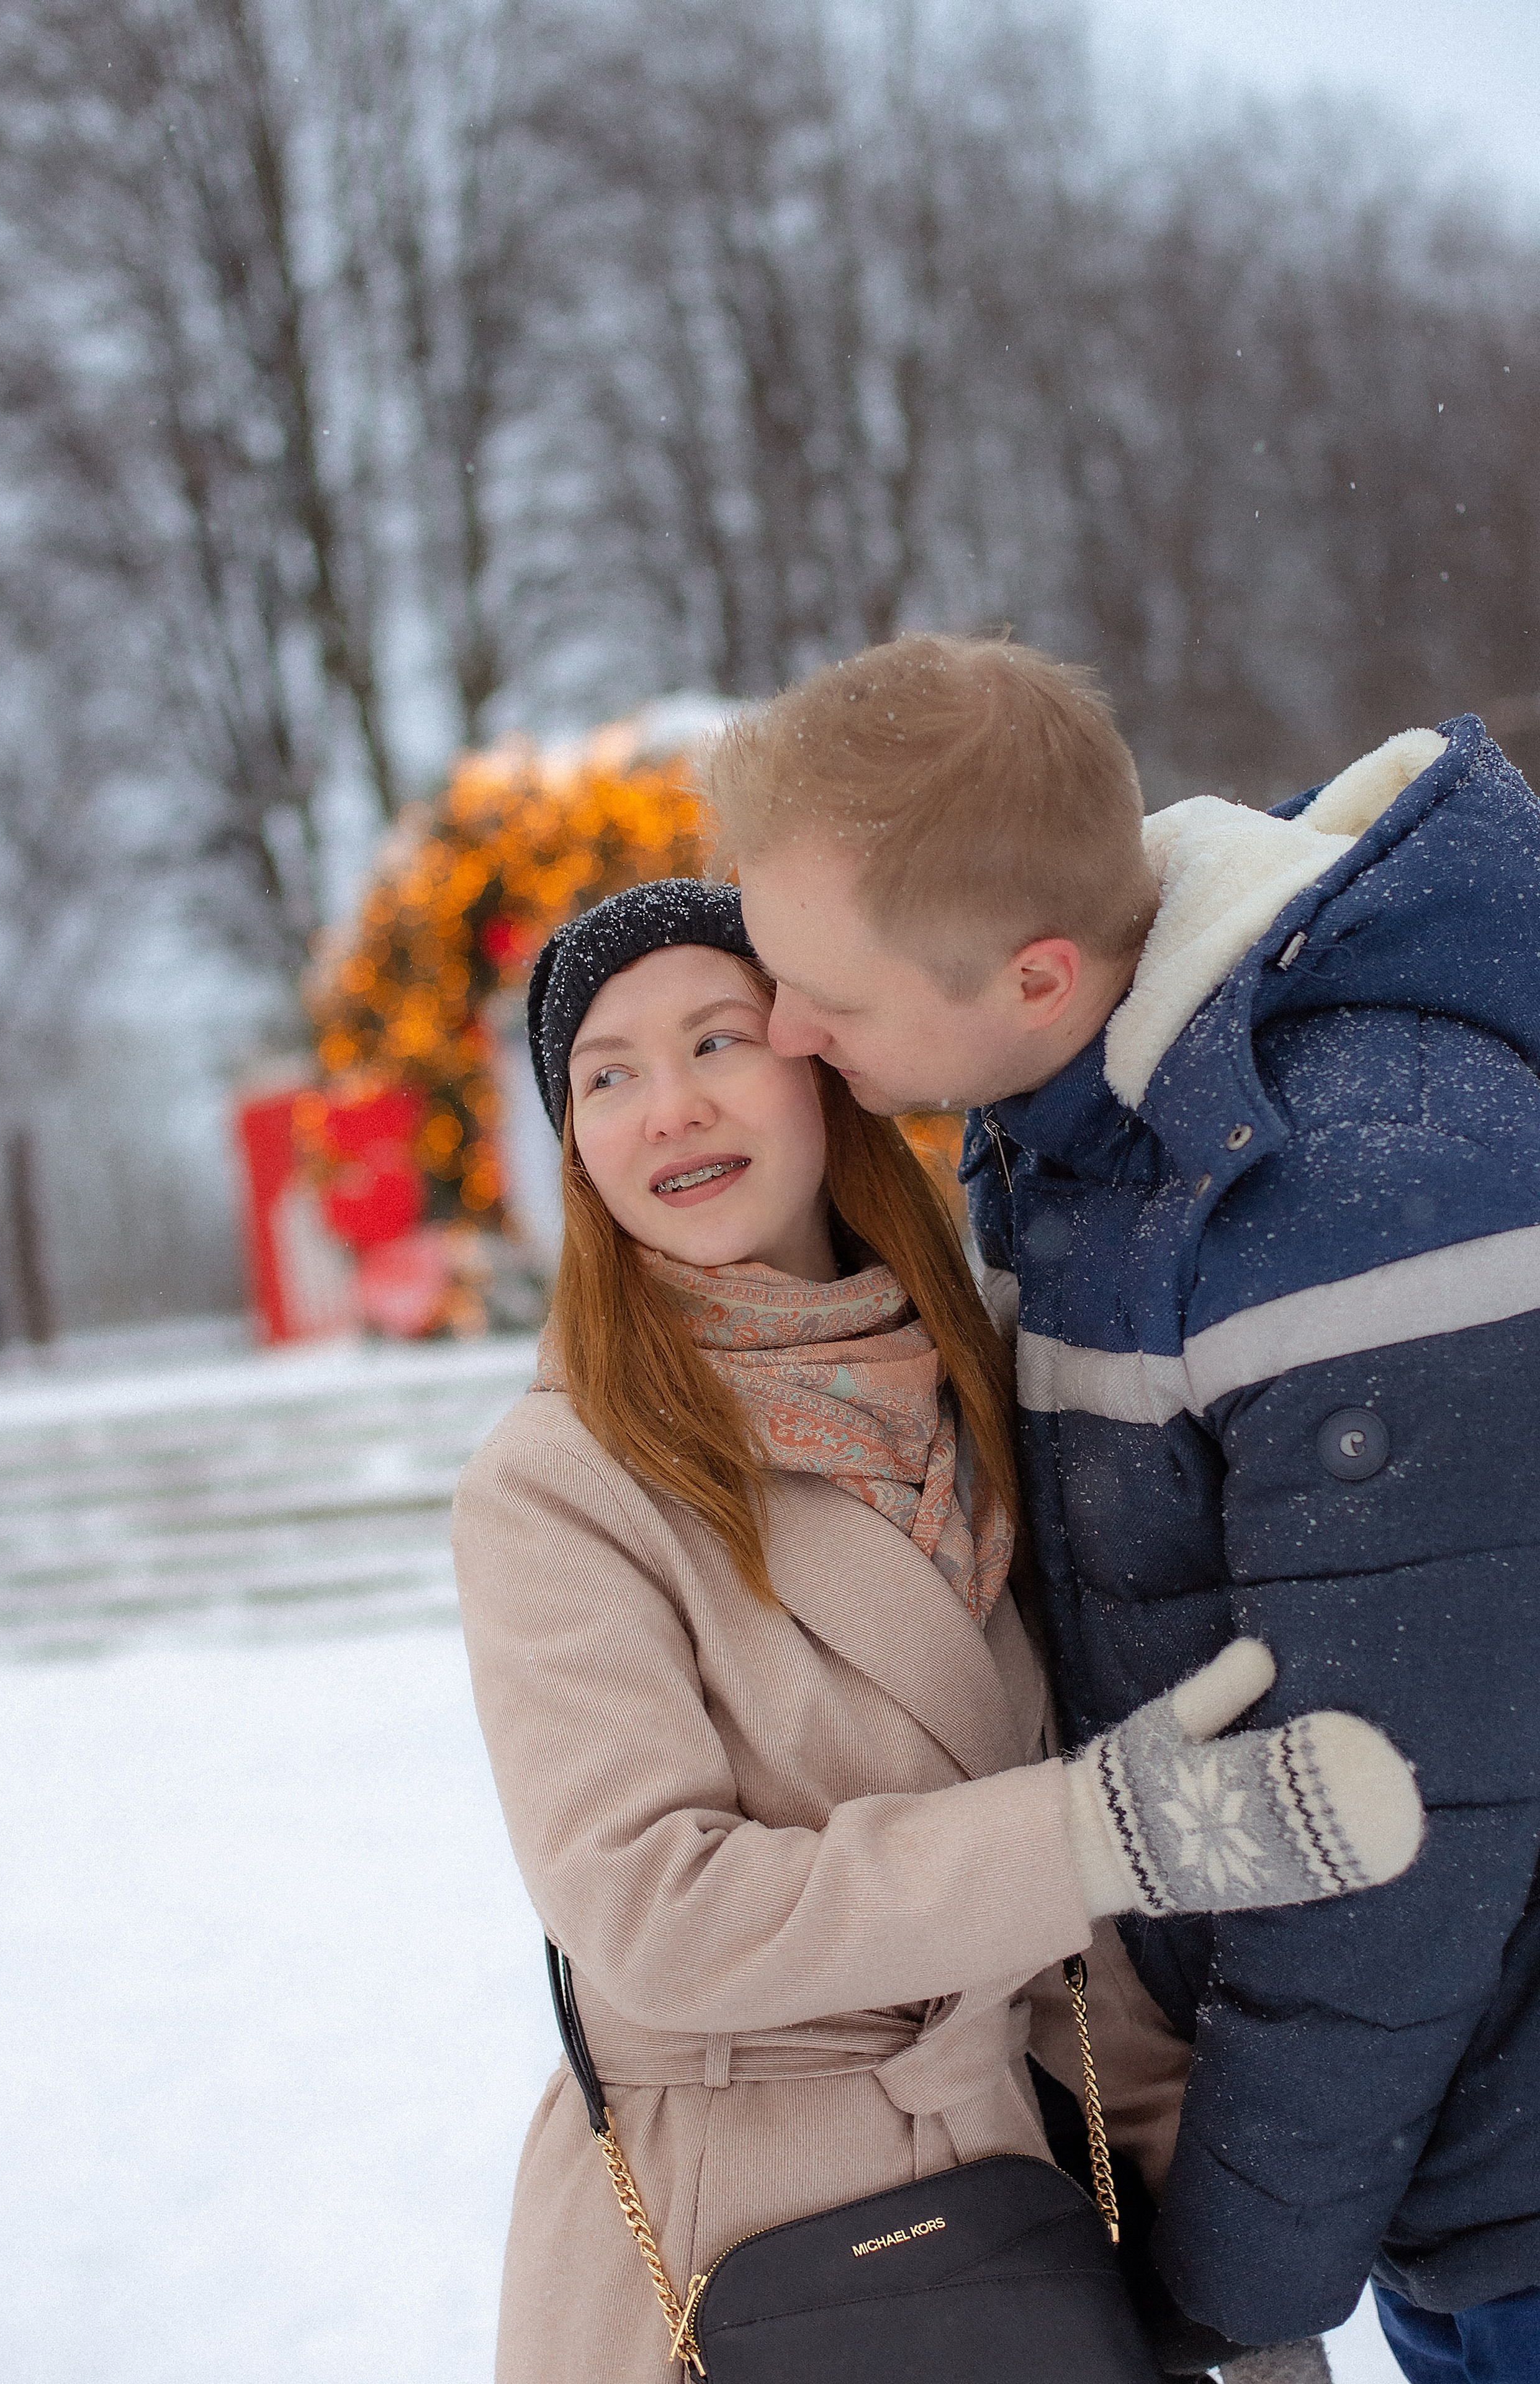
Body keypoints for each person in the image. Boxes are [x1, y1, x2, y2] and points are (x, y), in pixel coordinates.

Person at [451, 877, 1420, 2383]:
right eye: (607, 1074)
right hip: (733, 2254)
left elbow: (1075, 1939)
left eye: (717, 1040)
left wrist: (1231, 2296)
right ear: (573, 1142)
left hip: (1010, 2228)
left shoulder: (975, 1385)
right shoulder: (563, 1481)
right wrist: (1100, 1832)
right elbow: (653, 1917)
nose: (669, 1110)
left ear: (818, 1066)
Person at [716, 633, 1540, 2384]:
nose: (785, 1033)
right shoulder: (1100, 1134)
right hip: (1448, 2155)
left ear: (1031, 975)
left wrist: (1233, 2271)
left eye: (829, 1002)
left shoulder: (1367, 1199)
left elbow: (1401, 1821)